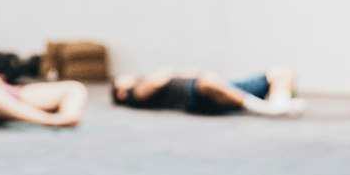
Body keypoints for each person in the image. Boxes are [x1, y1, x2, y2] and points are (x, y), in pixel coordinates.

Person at [111, 66, 305, 117]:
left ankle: (280, 103)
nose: (129, 75)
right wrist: (170, 70)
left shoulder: (143, 82)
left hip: (221, 85)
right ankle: (265, 107)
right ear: (121, 93)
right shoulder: (135, 95)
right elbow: (158, 80)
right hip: (196, 94)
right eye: (123, 79)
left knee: (282, 72)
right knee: (207, 82)